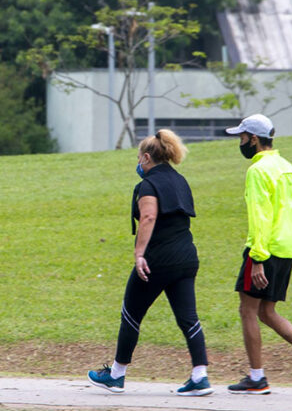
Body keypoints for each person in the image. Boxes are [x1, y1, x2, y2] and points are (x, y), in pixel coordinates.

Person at [88, 129, 212, 396]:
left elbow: (148, 218)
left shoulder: (148, 185)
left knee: (131, 313)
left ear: (146, 157)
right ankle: (200, 376)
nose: (137, 163)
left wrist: (139, 254)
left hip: (158, 259)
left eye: (138, 158)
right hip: (187, 257)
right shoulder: (180, 180)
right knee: (188, 318)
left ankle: (117, 375)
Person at [224, 114, 292, 394]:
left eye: (242, 137)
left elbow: (260, 215)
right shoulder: (287, 167)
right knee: (266, 311)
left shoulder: (258, 170)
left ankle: (257, 377)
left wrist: (257, 258)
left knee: (247, 309)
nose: (241, 142)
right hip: (286, 249)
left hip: (264, 249)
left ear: (254, 139)